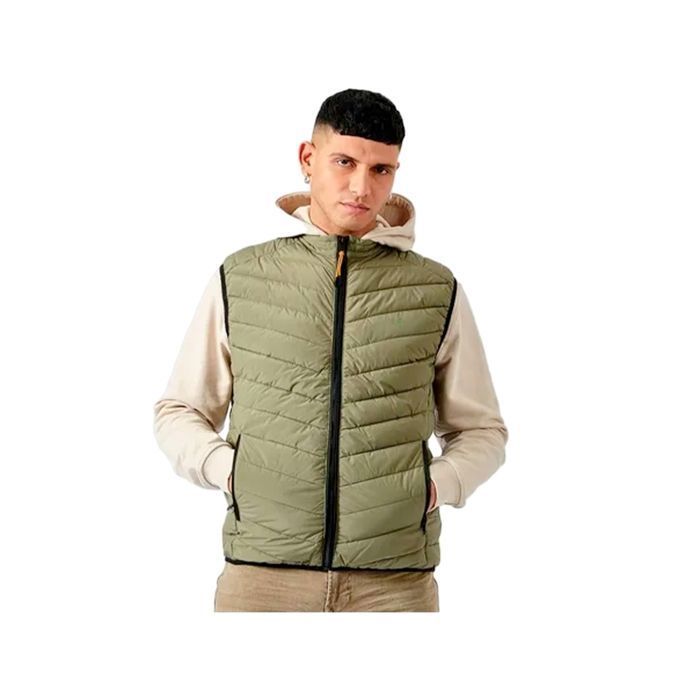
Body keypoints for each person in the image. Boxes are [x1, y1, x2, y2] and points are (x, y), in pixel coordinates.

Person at [152, 88, 509, 612]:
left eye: (382, 170)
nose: (362, 187)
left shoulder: (435, 289)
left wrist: (433, 487)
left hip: (394, 586)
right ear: (308, 158)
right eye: (345, 162)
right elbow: (179, 410)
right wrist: (231, 471)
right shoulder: (242, 277)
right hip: (262, 580)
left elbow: (482, 430)